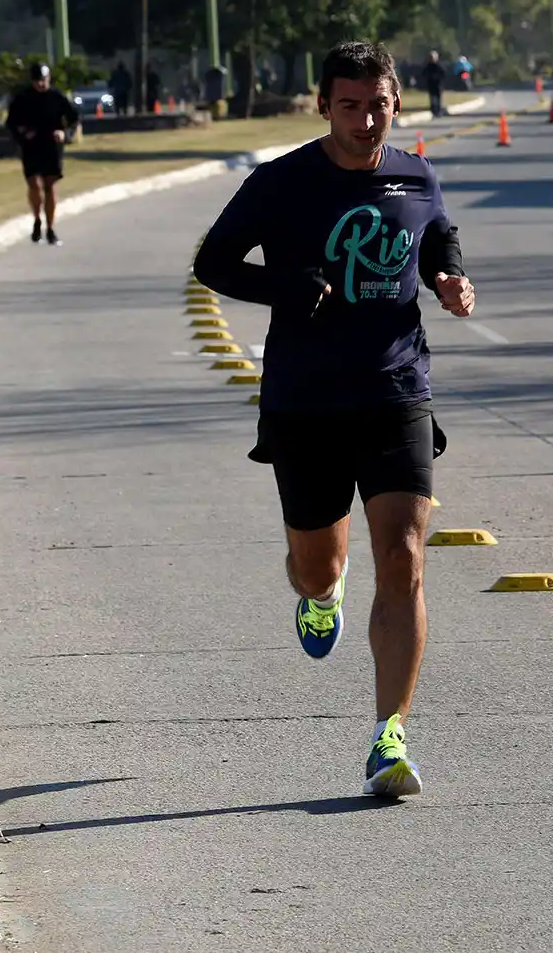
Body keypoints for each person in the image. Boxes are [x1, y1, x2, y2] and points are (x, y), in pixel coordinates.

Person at [192, 41, 475, 799]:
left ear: (396, 102)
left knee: (405, 557)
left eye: (378, 104)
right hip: (307, 399)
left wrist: (448, 275)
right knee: (319, 562)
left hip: (396, 391)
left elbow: (435, 231)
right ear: (324, 105)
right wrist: (288, 284)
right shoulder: (281, 183)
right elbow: (213, 263)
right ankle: (320, 594)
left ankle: (391, 737)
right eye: (349, 105)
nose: (365, 119)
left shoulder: (414, 173)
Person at [6, 62, 79, 246]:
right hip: (31, 146)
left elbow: (74, 119)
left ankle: (51, 228)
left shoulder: (57, 96)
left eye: (44, 80)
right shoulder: (22, 98)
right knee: (34, 185)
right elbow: (11, 123)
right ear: (32, 81)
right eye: (38, 81)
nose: (41, 84)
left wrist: (65, 134)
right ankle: (37, 219)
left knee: (50, 187)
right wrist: (22, 134)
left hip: (52, 146)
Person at [422, 50, 446, 116]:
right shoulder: (428, 66)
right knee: (432, 98)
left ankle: (438, 110)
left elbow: (443, 74)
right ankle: (433, 110)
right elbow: (424, 74)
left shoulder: (438, 66)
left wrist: (437, 78)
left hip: (438, 84)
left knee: (438, 98)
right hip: (431, 84)